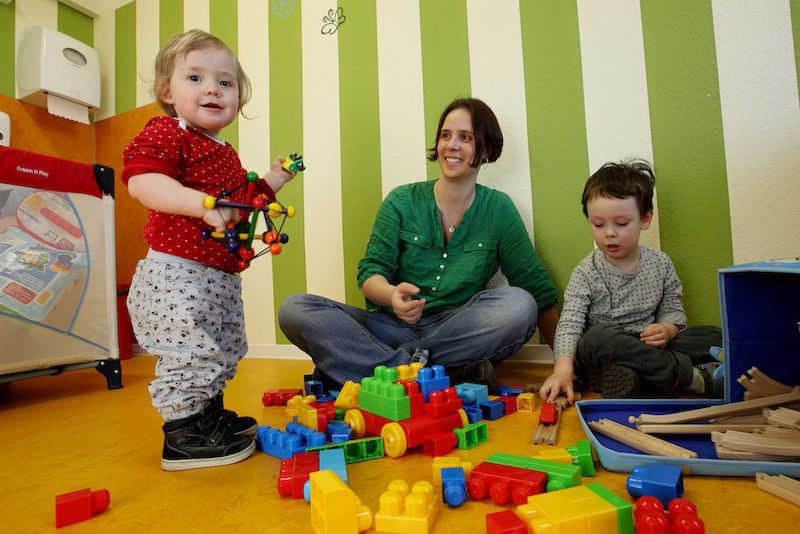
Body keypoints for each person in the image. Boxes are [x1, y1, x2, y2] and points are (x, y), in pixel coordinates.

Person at [279, 97, 559, 392]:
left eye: (465, 137)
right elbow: (370, 274)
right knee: (294, 308)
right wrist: (391, 296)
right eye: (445, 135)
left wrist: (567, 365)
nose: (451, 145)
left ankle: (379, 373)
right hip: (388, 330)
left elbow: (536, 291)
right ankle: (440, 375)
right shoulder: (401, 200)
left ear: (486, 149)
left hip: (454, 333)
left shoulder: (499, 209)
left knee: (519, 305)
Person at [122, 30, 297, 470]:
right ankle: (182, 435)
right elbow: (143, 181)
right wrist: (201, 206)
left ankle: (207, 415)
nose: (212, 89)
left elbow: (245, 199)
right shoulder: (167, 131)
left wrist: (275, 179)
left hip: (217, 277)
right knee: (191, 351)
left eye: (225, 82)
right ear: (168, 91)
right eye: (195, 77)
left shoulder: (225, 152)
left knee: (223, 345)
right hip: (175, 274)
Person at [539, 160, 722, 404]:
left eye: (621, 223)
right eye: (598, 224)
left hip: (651, 349)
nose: (609, 233)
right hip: (604, 352)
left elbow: (673, 310)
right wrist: (562, 371)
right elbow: (570, 323)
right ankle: (691, 378)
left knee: (714, 335)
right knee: (597, 338)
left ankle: (642, 380)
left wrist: (666, 329)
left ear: (645, 219)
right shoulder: (587, 271)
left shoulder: (661, 263)